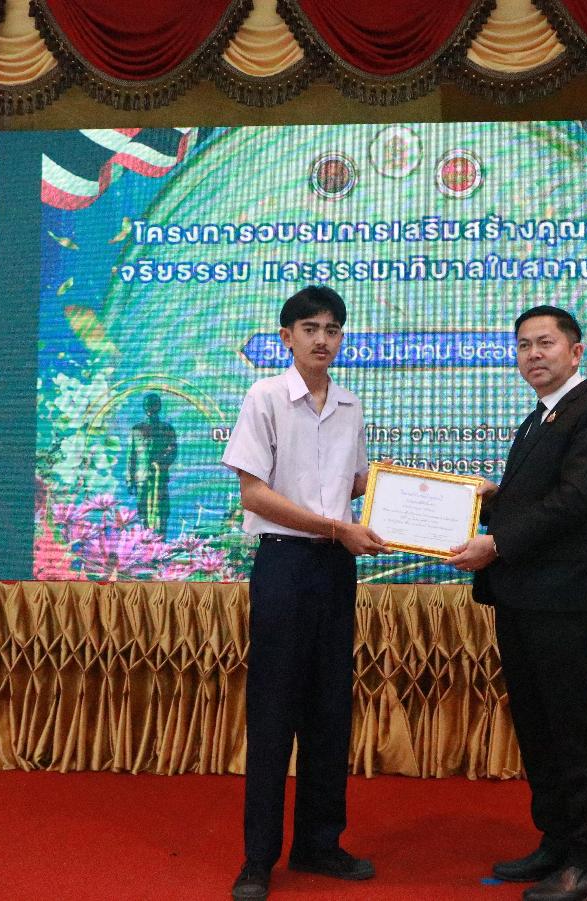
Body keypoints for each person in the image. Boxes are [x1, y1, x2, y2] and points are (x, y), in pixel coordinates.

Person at [447, 305, 587, 901]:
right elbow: (538, 500)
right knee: (537, 725)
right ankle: (556, 842)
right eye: (524, 345)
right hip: (522, 597)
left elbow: (576, 501)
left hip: (562, 601)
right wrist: (492, 498)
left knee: (572, 729)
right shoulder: (539, 417)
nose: (533, 354)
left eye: (545, 343)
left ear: (575, 352)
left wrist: (497, 541)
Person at [220, 285, 387, 901]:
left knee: (329, 709)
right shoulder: (264, 396)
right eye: (310, 328)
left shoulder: (350, 404)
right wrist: (335, 528)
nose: (323, 339)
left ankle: (319, 843)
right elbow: (254, 493)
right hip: (285, 566)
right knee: (273, 710)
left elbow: (358, 482)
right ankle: (258, 858)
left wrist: (438, 496)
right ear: (286, 337)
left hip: (336, 570)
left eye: (333, 329)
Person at [127, 392, 177, 538]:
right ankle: (145, 538)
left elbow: (173, 451)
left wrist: (161, 462)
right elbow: (131, 456)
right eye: (148, 405)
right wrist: (130, 479)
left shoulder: (167, 429)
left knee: (162, 509)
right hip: (141, 477)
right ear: (144, 407)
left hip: (159, 477)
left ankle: (161, 538)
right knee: (142, 509)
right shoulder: (136, 430)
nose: (151, 408)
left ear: (159, 406)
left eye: (154, 404)